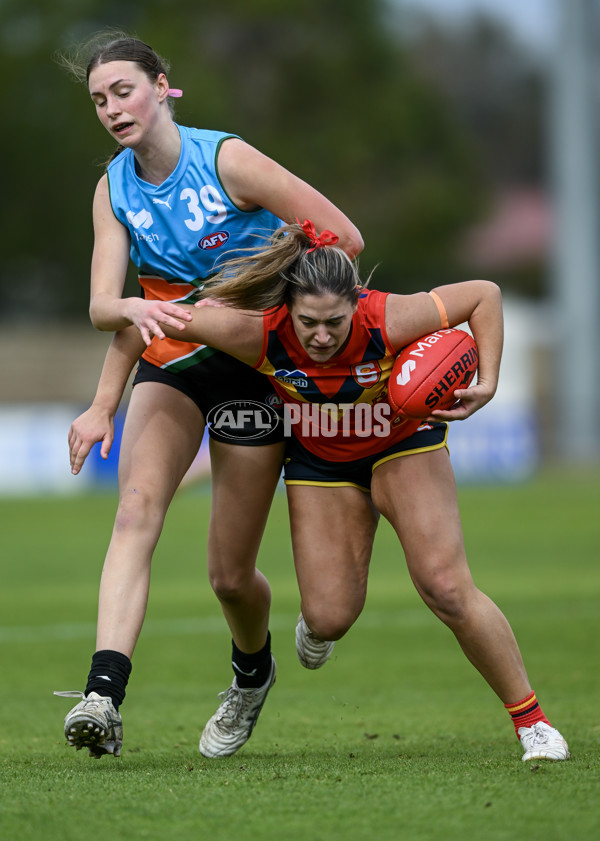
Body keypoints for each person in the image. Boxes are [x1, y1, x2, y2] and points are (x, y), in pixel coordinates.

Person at [54, 33, 364, 761]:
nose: (111, 108)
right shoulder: (113, 189)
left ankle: (251, 673)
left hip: (252, 371)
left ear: (164, 87)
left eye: (124, 90)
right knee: (135, 509)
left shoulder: (226, 160)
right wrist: (106, 392)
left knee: (228, 574)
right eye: (99, 99)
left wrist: (271, 285)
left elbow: (342, 236)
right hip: (172, 365)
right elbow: (105, 305)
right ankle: (103, 693)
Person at [156, 219, 570, 763]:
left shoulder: (389, 317)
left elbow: (484, 296)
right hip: (321, 462)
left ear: (357, 304)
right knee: (328, 617)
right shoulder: (258, 332)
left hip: (403, 444)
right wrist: (109, 349)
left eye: (335, 322)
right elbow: (158, 322)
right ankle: (319, 623)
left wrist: (487, 381)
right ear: (288, 310)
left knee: (445, 585)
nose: (322, 337)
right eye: (308, 323)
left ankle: (532, 723)